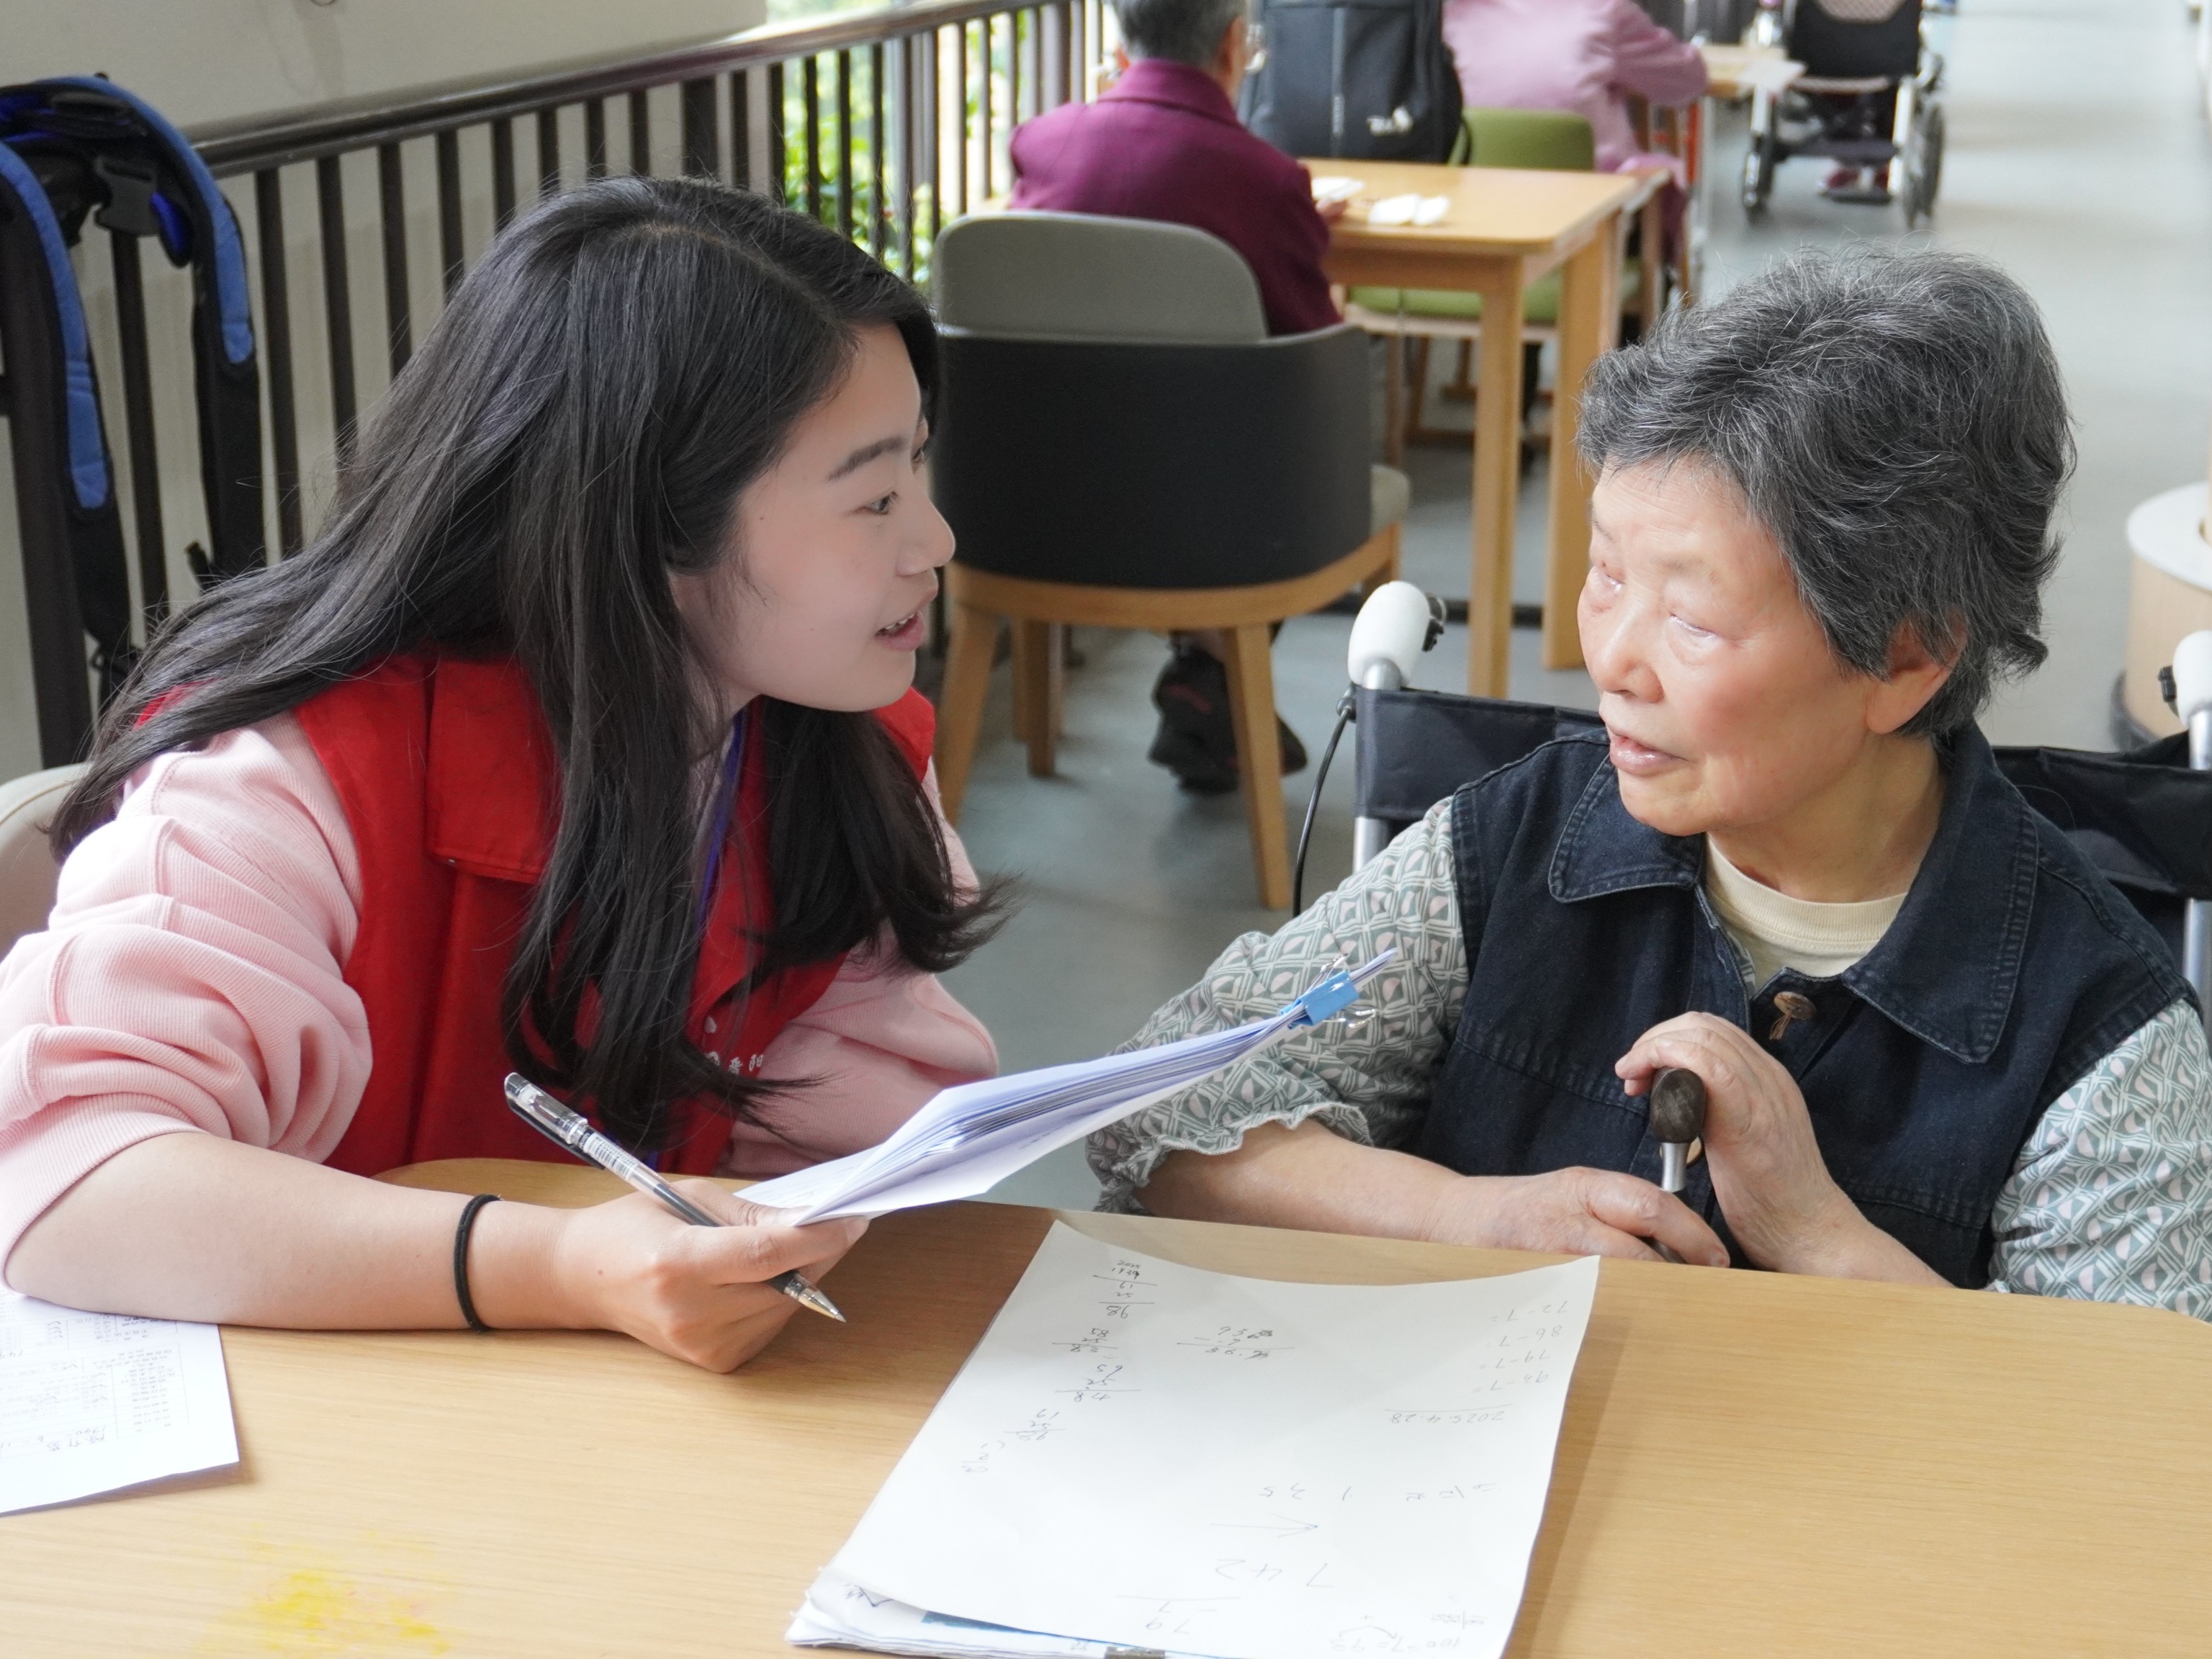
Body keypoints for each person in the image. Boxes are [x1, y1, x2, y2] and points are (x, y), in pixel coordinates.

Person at [1090, 247, 2212, 1318]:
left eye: (1692, 616)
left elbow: (2138, 1409)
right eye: (1606, 574)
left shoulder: (2099, 1028)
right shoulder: (1510, 847)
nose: (1613, 661)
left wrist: (1821, 1237)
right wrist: (1475, 1221)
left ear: (1909, 656)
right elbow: (1156, 1107)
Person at [0, 179, 1004, 1372]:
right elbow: (65, 1175)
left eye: (919, 468)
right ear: (653, 522)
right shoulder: (291, 778)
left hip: (619, 1408)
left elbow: (848, 1145)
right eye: (875, 495)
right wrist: (560, 1266)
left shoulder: (833, 742)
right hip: (342, 1416)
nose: (936, 540)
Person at [1010, 0, 1334, 793]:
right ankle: (1208, 678)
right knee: (1268, 441)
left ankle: (1203, 683)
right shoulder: (1265, 179)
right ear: (1232, 43)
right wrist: (1296, 225)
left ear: (1122, 46)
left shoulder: (1041, 144)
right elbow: (1312, 362)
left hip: (1030, 507)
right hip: (1210, 527)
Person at [1442, 0, 1707, 244]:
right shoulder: (1603, 11)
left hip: (1464, 225)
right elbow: (1687, 81)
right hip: (1591, 230)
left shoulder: (1447, 14)